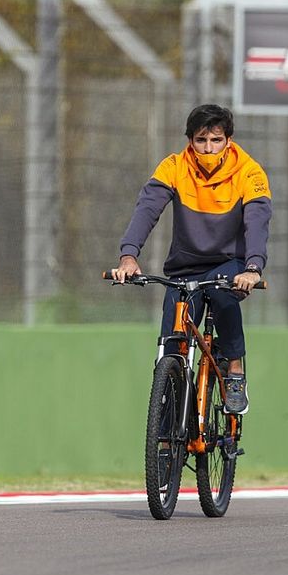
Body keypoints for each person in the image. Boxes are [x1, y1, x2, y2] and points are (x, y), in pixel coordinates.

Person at [112, 104, 272, 414]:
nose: (208, 149)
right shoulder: (174, 167)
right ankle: (168, 422)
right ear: (190, 141)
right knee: (173, 340)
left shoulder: (249, 171)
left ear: (228, 140)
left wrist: (253, 267)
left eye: (216, 140)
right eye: (201, 140)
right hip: (185, 267)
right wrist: (128, 255)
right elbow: (147, 209)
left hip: (230, 263)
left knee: (224, 295)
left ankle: (234, 368)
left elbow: (257, 221)